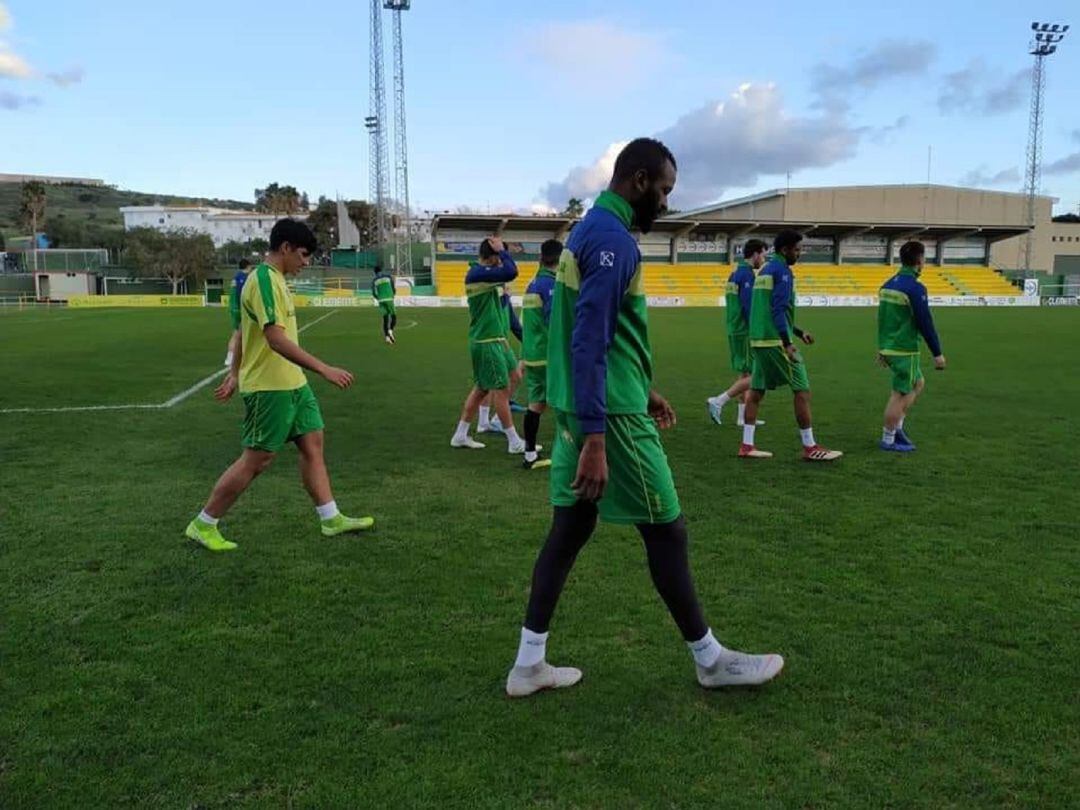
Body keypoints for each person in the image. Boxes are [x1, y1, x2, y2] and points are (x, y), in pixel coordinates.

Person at [505, 138, 784, 698]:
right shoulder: (613, 241)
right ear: (637, 181)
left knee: (570, 529)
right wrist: (595, 437)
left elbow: (598, 331)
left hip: (582, 407)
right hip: (609, 418)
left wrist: (644, 386)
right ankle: (710, 659)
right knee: (667, 530)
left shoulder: (588, 231)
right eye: (664, 190)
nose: (666, 203)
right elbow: (586, 339)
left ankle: (528, 663)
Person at [184, 219, 374, 552]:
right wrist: (323, 368)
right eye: (303, 254)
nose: (306, 262)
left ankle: (330, 518)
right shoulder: (264, 281)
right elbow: (273, 338)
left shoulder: (277, 281)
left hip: (293, 385)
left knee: (313, 443)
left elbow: (244, 332)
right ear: (285, 248)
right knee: (256, 460)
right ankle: (204, 523)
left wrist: (234, 374)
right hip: (270, 388)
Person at [739, 231, 843, 462]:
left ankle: (747, 445)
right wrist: (787, 343)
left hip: (759, 339)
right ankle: (810, 446)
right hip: (774, 341)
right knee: (802, 389)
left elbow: (769, 309)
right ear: (785, 249)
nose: (800, 253)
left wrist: (798, 331)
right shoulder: (783, 271)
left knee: (756, 392)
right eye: (797, 249)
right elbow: (777, 309)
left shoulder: (765, 270)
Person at [450, 237, 527, 452]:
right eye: (498, 257)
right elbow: (511, 271)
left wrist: (505, 295)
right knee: (500, 390)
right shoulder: (476, 274)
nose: (500, 262)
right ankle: (514, 442)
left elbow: (500, 307)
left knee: (503, 381)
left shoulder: (487, 279)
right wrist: (504, 251)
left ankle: (460, 435)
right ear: (492, 257)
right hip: (486, 342)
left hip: (497, 340)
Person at [877, 240, 946, 451]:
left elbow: (882, 319)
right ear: (919, 261)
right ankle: (888, 438)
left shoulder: (888, 284)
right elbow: (925, 321)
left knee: (917, 383)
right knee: (901, 393)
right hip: (904, 348)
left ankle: (897, 427)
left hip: (890, 346)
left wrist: (882, 348)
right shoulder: (915, 288)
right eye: (924, 258)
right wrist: (937, 353)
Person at [707, 239, 769, 426]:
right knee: (756, 374)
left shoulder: (734, 274)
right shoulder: (747, 276)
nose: (764, 259)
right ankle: (719, 400)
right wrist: (759, 330)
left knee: (745, 372)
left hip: (734, 328)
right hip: (745, 331)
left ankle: (742, 417)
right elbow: (748, 307)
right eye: (763, 254)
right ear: (756, 254)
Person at [519, 238, 562, 470]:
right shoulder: (552, 286)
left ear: (540, 259)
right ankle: (571, 453)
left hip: (532, 355)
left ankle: (529, 455)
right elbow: (556, 322)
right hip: (549, 356)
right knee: (566, 402)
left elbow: (526, 322)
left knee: (536, 404)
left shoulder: (533, 283)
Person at [223, 258, 251, 367]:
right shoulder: (246, 278)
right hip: (242, 310)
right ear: (248, 266)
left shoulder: (235, 277)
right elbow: (244, 295)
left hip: (234, 309)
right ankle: (236, 358)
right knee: (244, 335)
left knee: (237, 334)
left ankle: (230, 358)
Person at [371, 265, 397, 344]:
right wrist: (393, 293)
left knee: (385, 319)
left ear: (375, 272)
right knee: (393, 316)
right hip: (389, 298)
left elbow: (373, 292)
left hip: (381, 300)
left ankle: (386, 337)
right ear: (381, 270)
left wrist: (377, 298)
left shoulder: (374, 280)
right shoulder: (388, 277)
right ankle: (390, 331)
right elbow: (393, 286)